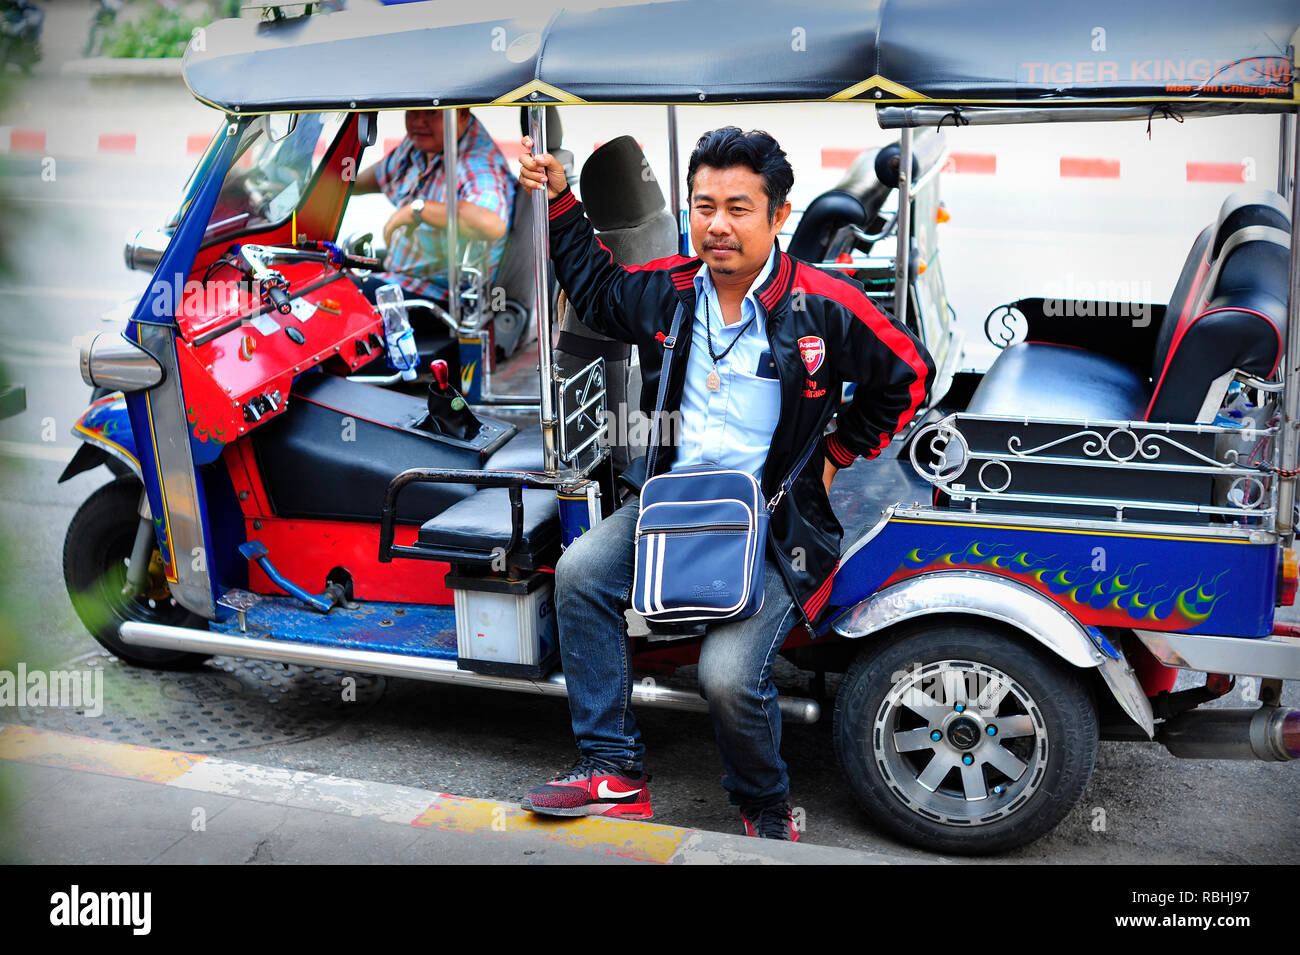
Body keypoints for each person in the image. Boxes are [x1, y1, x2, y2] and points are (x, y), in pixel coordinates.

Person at [516, 127, 936, 840]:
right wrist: (559, 199)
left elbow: (909, 372)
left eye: (739, 207)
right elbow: (594, 286)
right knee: (581, 570)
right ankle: (612, 768)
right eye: (703, 205)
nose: (717, 224)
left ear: (778, 215)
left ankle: (765, 805)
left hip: (776, 524)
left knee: (727, 675)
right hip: (674, 507)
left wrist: (837, 449)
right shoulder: (673, 292)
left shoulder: (821, 304)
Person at [351, 108, 515, 305]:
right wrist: (327, 183)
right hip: (402, 272)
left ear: (462, 114)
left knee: (332, 297)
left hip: (440, 297)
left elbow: (491, 223)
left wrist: (417, 210)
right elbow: (376, 177)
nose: (418, 122)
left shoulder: (476, 165)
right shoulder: (424, 144)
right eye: (413, 110)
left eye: (430, 112)